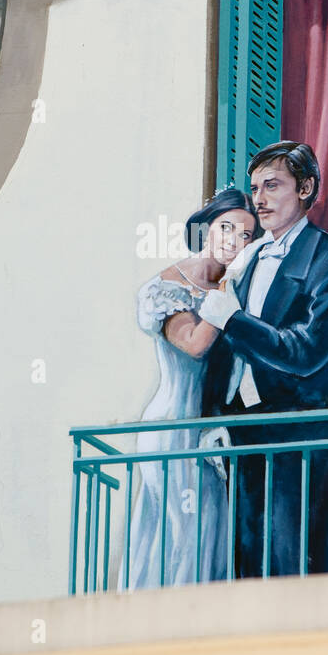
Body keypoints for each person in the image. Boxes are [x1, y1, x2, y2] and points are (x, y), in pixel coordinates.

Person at [198, 142, 328, 578]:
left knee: (291, 562)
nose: (260, 200)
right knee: (245, 562)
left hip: (298, 433)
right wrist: (215, 417)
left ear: (306, 188)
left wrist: (232, 317)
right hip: (242, 430)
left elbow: (306, 352)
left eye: (273, 186)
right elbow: (225, 354)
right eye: (255, 189)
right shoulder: (248, 259)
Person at [123, 189, 261, 588]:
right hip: (171, 429)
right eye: (226, 228)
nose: (233, 241)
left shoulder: (236, 290)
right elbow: (196, 344)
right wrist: (225, 297)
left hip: (210, 435)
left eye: (245, 236)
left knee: (211, 533)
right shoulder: (170, 287)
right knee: (182, 533)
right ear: (207, 228)